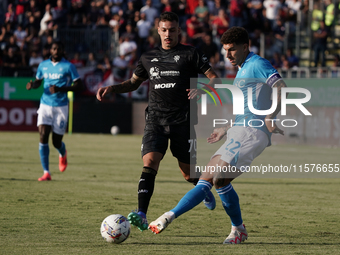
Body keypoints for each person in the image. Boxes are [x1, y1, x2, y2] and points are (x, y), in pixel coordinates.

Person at [148, 26, 287, 244]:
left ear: (245, 47)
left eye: (232, 50)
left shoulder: (257, 64)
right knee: (206, 179)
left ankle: (175, 217)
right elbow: (246, 107)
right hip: (239, 130)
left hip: (253, 132)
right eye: (225, 50)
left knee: (219, 178)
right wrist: (227, 127)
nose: (227, 55)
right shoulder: (242, 69)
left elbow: (280, 86)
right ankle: (172, 215)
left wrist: (271, 116)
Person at [96, 12, 220, 231]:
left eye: (172, 30)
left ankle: (204, 190)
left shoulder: (191, 53)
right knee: (150, 163)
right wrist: (112, 88)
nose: (168, 34)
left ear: (179, 30)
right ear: (158, 30)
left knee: (188, 173)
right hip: (155, 120)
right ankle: (142, 214)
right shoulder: (147, 57)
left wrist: (203, 90)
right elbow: (134, 83)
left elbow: (214, 78)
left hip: (183, 121)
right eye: (164, 30)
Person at [26, 40, 83, 181]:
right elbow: (39, 81)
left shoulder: (68, 66)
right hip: (45, 104)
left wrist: (60, 89)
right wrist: (33, 85)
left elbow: (79, 86)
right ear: (50, 50)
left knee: (56, 141)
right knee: (43, 135)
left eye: (59, 49)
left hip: (61, 106)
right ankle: (46, 172)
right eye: (54, 48)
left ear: (62, 51)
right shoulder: (43, 65)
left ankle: (62, 153)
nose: (56, 51)